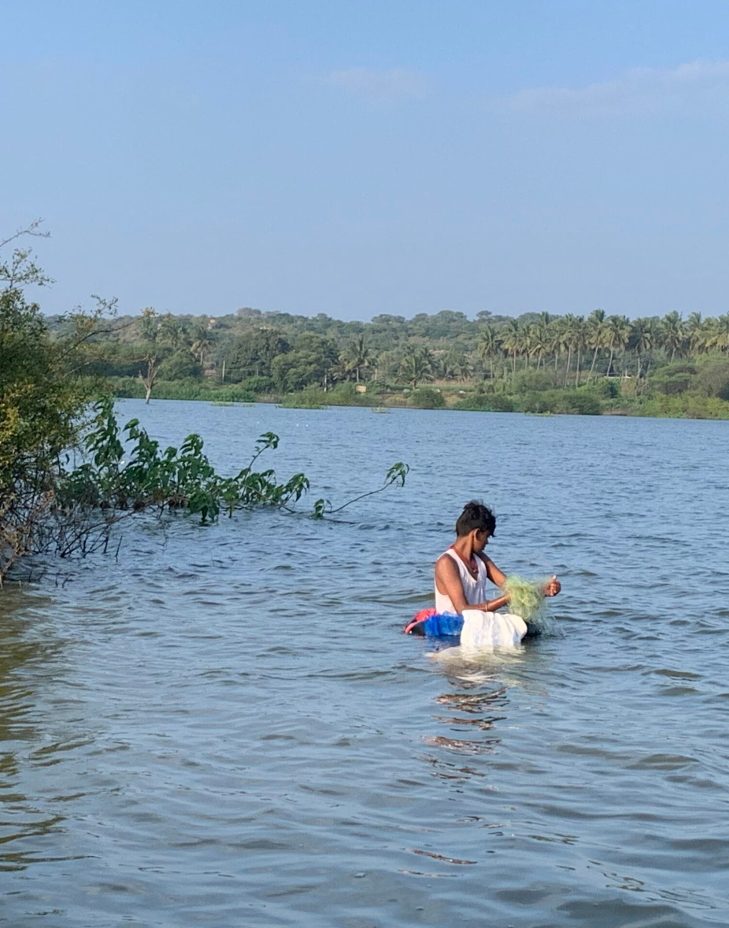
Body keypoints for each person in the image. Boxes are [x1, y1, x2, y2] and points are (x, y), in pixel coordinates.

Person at [434, 500, 561, 615]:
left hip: (478, 625)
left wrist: (542, 589)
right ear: (476, 534)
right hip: (452, 630)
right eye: (487, 537)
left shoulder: (481, 559)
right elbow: (463, 610)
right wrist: (506, 599)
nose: (487, 542)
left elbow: (510, 587)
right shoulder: (447, 563)